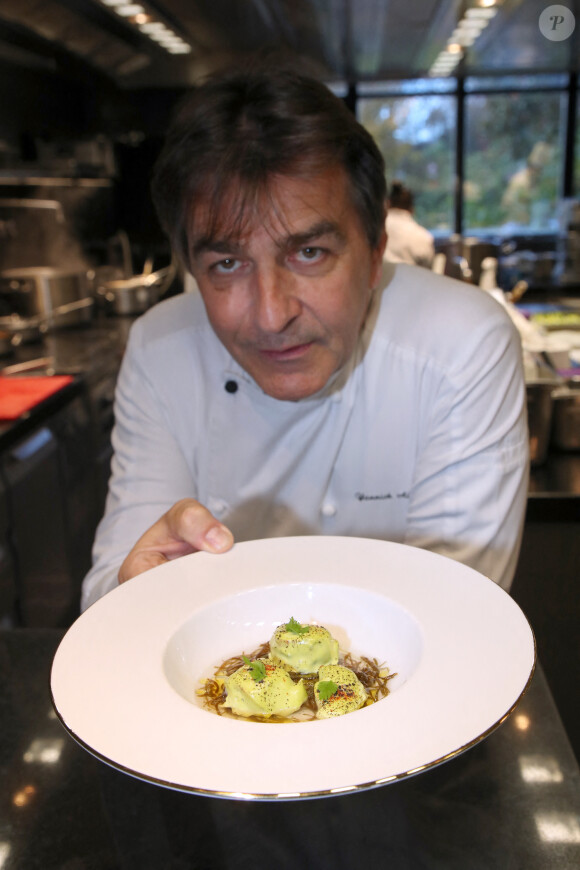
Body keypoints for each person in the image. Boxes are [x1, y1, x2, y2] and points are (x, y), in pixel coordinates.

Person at [81, 62, 529, 611]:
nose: (271, 316)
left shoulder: (460, 343)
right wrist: (133, 596)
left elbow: (459, 615)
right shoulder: (160, 349)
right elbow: (109, 594)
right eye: (226, 263)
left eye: (309, 253)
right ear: (191, 270)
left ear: (373, 252)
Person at [384, 181, 435, 269]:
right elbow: (428, 273)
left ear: (387, 204)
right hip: (412, 281)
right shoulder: (422, 236)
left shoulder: (373, 231)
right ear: (412, 209)